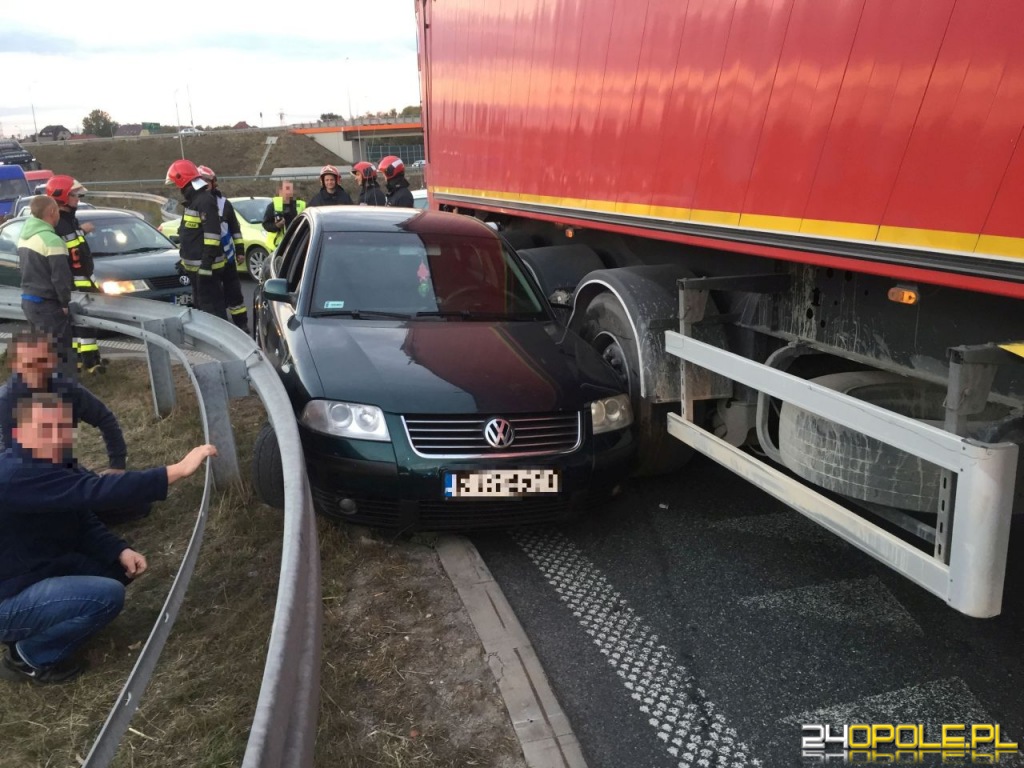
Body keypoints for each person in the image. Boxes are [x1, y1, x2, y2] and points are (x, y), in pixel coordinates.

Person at [0, 391, 216, 684]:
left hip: (34, 567)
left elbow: (84, 515)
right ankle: (29, 656)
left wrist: (119, 550)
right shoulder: (16, 474)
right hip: (8, 595)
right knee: (105, 596)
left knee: (115, 572)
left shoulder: (54, 463)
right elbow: (100, 491)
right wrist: (176, 470)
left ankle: (50, 617)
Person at [0, 328, 151, 524]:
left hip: (65, 470)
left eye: (44, 361)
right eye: (30, 364)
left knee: (139, 503)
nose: (38, 370)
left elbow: (105, 419)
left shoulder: (66, 389)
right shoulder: (5, 402)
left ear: (53, 359)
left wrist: (117, 465)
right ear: (15, 365)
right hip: (24, 481)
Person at [46, 175, 104, 374]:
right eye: (74, 195)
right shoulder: (61, 223)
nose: (78, 198)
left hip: (83, 281)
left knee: (80, 324)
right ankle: (90, 362)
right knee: (84, 325)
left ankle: (81, 360)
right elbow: (69, 254)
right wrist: (82, 231)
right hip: (75, 284)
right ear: (62, 196)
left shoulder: (70, 221)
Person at [165, 159, 228, 321]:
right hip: (198, 269)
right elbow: (191, 237)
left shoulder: (204, 201)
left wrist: (206, 266)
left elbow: (212, 237)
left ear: (182, 180)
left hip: (208, 269)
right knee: (202, 308)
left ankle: (220, 343)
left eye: (176, 184)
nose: (176, 189)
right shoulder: (193, 202)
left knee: (212, 311)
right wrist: (184, 261)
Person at [18, 195, 74, 377]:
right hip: (48, 305)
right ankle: (64, 397)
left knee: (41, 354)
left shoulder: (25, 237)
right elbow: (61, 278)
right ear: (51, 212)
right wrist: (65, 303)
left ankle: (42, 395)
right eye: (57, 210)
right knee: (59, 355)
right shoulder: (51, 240)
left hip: (29, 301)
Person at [196, 165, 248, 332]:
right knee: (214, 297)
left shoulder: (224, 203)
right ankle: (221, 330)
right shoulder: (195, 203)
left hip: (226, 257)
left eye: (207, 181)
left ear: (213, 182)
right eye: (201, 181)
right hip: (207, 258)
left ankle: (242, 326)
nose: (204, 184)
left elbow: (235, 229)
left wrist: (240, 251)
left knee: (235, 295)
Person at [262, 179, 306, 249]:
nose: (290, 191)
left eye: (291, 189)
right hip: (278, 246)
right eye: (287, 188)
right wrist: (277, 226)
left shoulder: (299, 205)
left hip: (296, 244)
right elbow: (266, 224)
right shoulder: (273, 206)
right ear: (280, 190)